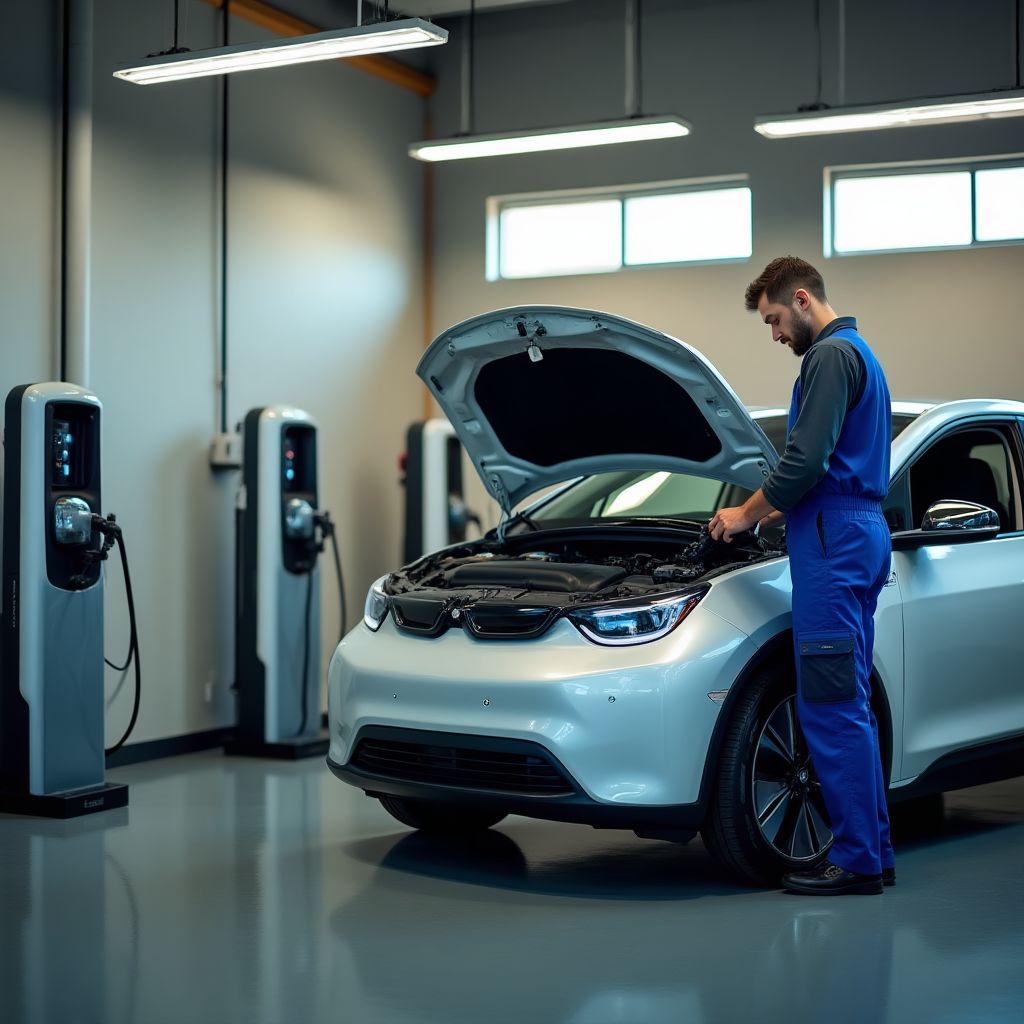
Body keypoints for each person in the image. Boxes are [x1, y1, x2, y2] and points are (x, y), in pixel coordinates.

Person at [708, 255, 895, 896]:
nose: (776, 335)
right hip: (856, 534)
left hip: (831, 539)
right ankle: (873, 850)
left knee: (830, 703)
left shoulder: (830, 358)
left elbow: (805, 461)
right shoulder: (860, 354)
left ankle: (855, 861)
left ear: (802, 298)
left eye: (775, 320)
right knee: (852, 702)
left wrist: (745, 514)